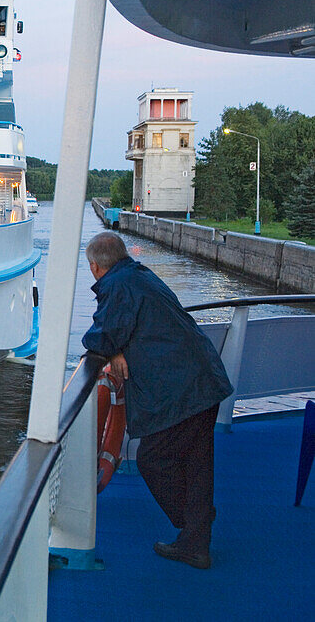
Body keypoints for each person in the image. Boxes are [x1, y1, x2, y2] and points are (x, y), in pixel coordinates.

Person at [82, 232, 233, 570]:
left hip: (183, 391)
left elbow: (99, 338)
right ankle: (196, 540)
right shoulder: (139, 275)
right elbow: (119, 331)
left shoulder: (117, 287)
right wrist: (118, 349)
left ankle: (193, 525)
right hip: (203, 379)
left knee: (152, 459)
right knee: (196, 464)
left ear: (95, 267)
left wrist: (113, 348)